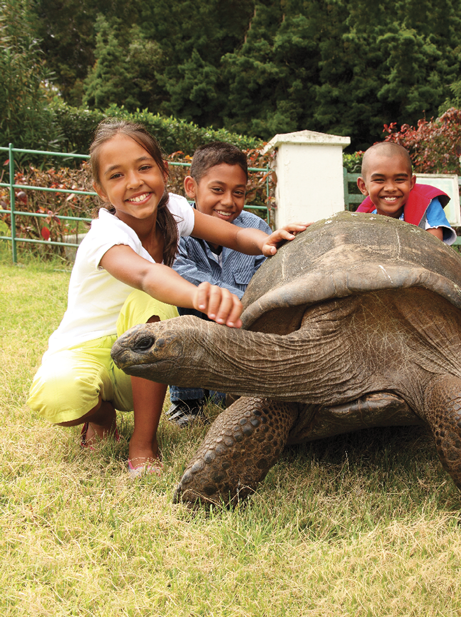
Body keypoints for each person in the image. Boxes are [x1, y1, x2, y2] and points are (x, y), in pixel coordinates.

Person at [27, 120, 307, 475]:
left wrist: (264, 241)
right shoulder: (104, 236)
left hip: (141, 359)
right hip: (87, 349)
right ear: (100, 190)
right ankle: (101, 413)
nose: (135, 182)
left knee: (152, 307)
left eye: (144, 167)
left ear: (163, 170)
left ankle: (144, 442)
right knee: (60, 394)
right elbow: (147, 274)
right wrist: (198, 294)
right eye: (116, 176)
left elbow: (234, 235)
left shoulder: (172, 210)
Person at [166, 141, 272, 427]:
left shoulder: (256, 229)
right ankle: (186, 402)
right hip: (199, 318)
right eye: (217, 190)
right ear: (191, 187)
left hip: (241, 331)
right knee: (183, 312)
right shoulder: (174, 228)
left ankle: (236, 394)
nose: (228, 201)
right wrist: (238, 299)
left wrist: (251, 304)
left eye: (238, 193)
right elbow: (181, 276)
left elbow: (267, 282)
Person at [356, 142, 457, 244]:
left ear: (411, 183)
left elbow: (433, 250)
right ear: (363, 186)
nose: (390, 188)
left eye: (399, 179)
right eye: (379, 180)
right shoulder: (362, 220)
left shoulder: (427, 204)